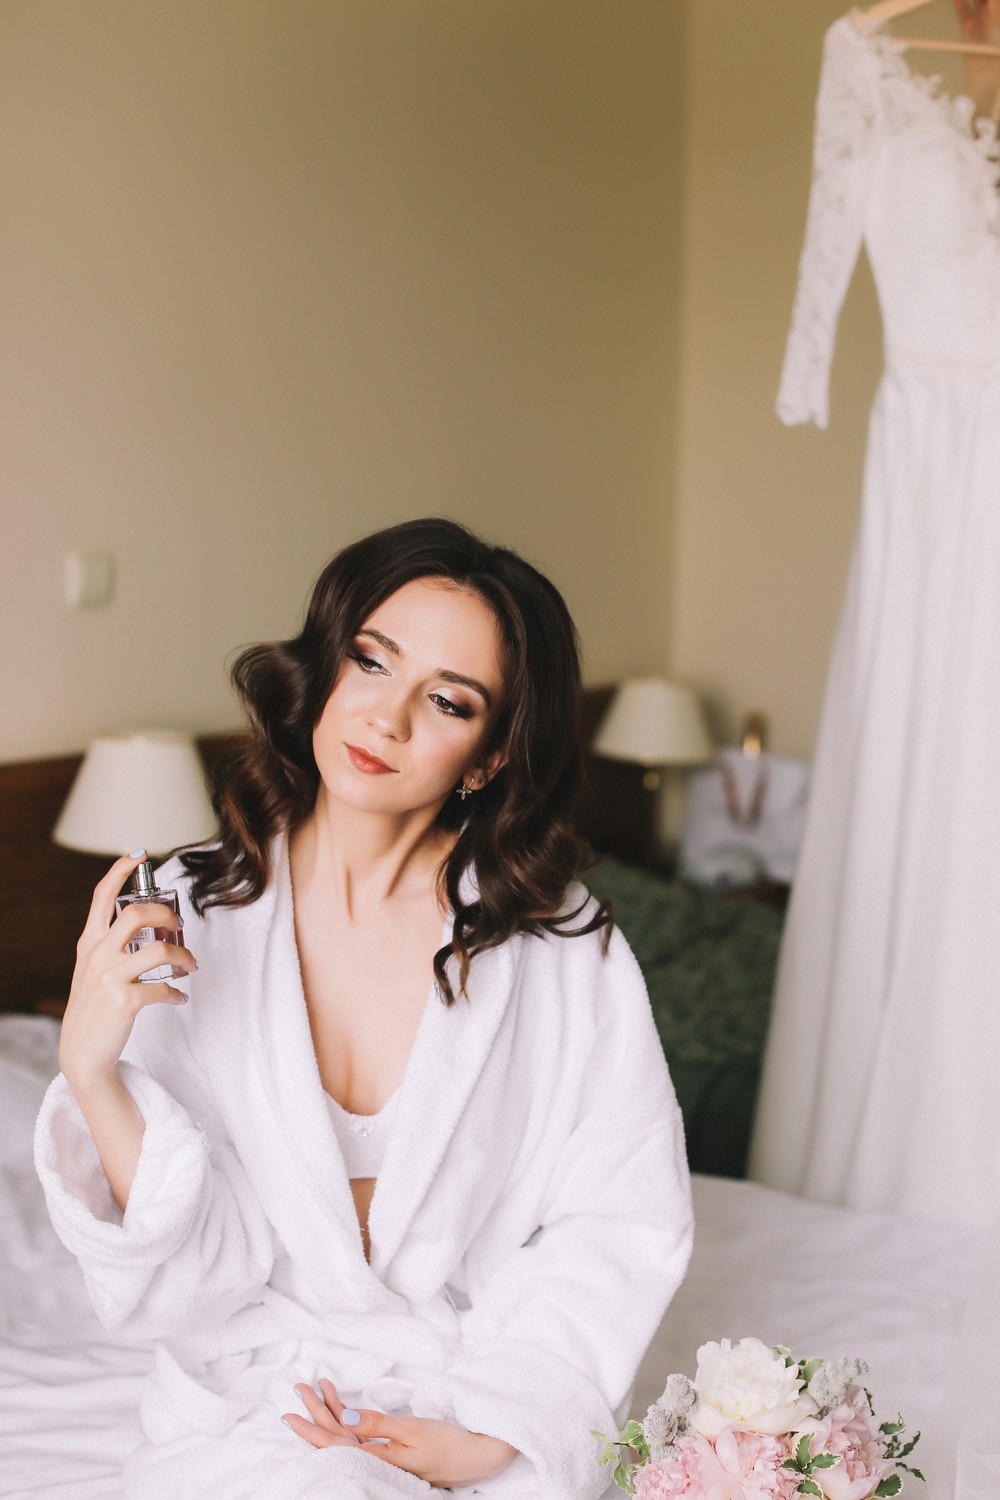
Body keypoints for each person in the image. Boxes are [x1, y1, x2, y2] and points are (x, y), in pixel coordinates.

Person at [36, 518, 692, 1500]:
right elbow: (188, 1278)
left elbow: (617, 1221)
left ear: (488, 757)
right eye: (371, 661)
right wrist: (90, 1073)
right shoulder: (189, 916)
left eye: (448, 700)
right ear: (325, 670)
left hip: (468, 1388)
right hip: (250, 1399)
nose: (386, 718)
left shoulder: (556, 945)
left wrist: (496, 1427)